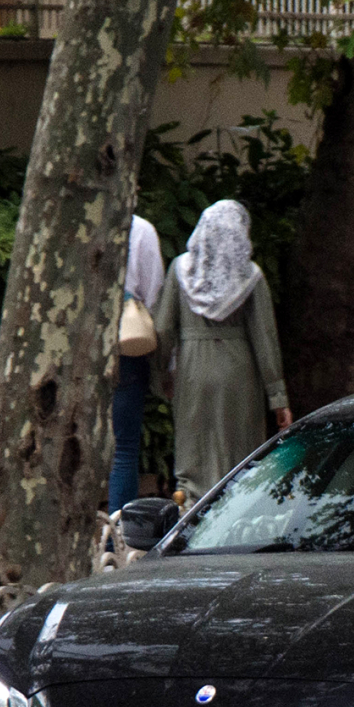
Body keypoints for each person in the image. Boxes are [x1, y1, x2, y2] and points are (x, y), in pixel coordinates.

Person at [154, 198, 290, 501]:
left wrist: (162, 374)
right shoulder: (250, 277)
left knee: (194, 451)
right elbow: (265, 340)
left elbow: (163, 329)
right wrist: (278, 399)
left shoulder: (180, 269)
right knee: (239, 454)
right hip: (240, 374)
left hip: (192, 372)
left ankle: (189, 509)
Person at [108, 212, 163, 512]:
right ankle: (117, 539)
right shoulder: (141, 229)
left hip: (77, 344)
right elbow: (154, 293)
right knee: (124, 449)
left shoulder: (71, 217)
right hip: (127, 345)